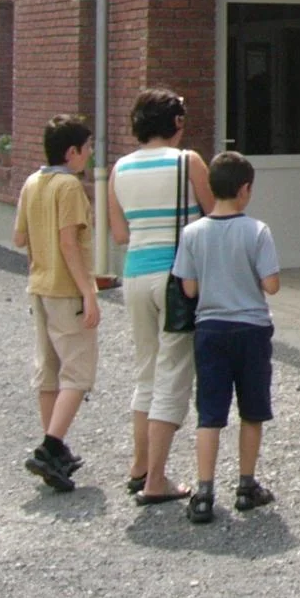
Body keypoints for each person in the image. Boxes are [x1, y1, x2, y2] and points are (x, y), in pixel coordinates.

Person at [108, 89, 213, 505]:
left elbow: (120, 234)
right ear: (177, 123)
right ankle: (156, 479)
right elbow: (214, 214)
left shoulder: (120, 168)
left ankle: (139, 465)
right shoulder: (188, 162)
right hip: (177, 276)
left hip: (135, 273)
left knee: (146, 372)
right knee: (175, 372)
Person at [173, 151, 282, 525]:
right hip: (252, 329)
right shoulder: (258, 231)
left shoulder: (192, 233)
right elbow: (272, 284)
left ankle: (204, 491)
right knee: (252, 410)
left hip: (211, 328)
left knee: (210, 412)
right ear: (244, 189)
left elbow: (189, 288)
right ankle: (246, 485)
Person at [15, 115, 99, 494]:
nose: (90, 154)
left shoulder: (32, 183)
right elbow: (69, 242)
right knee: (78, 373)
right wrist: (89, 292)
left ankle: (56, 446)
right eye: (88, 147)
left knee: (48, 371)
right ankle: (49, 448)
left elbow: (19, 237)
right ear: (72, 152)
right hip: (67, 290)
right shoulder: (69, 186)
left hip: (39, 286)